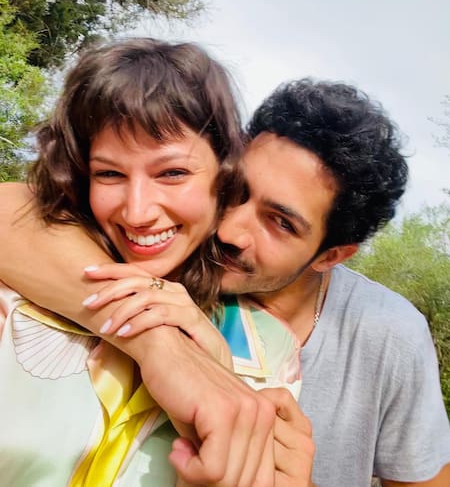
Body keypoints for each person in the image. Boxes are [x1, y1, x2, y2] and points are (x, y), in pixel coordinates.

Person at [2, 78, 449, 485]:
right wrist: (161, 344)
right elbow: (15, 211)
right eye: (236, 190)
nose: (230, 230)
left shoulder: (388, 335)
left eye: (280, 223)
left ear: (331, 256)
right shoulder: (163, 247)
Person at [0, 38, 314, 486]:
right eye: (109, 173)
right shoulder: (14, 292)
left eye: (173, 173)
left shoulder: (267, 349)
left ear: (224, 176)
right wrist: (160, 342)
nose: (137, 212)